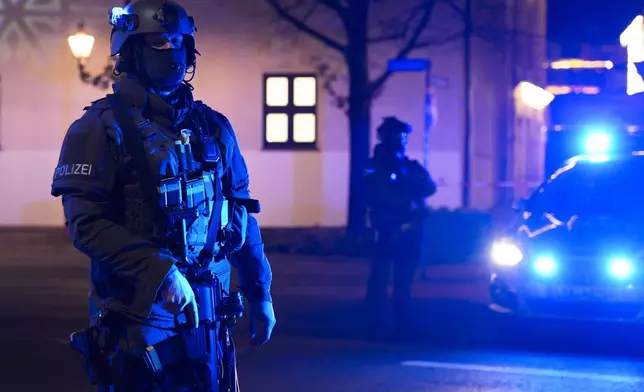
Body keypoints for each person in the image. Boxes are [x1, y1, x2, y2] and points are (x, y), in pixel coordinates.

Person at [51, 1, 275, 390]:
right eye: (158, 41)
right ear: (132, 50)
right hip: (140, 317)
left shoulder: (213, 126)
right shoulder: (98, 128)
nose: (172, 51)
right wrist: (161, 272)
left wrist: (260, 293)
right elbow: (86, 224)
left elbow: (240, 214)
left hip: (211, 313)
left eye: (178, 41)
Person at [364, 116, 436, 336]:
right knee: (381, 278)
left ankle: (401, 324)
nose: (404, 140)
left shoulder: (408, 165)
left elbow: (429, 186)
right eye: (401, 136)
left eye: (405, 136)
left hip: (409, 229)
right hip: (388, 228)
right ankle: (375, 325)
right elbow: (380, 194)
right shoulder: (376, 166)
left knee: (403, 280)